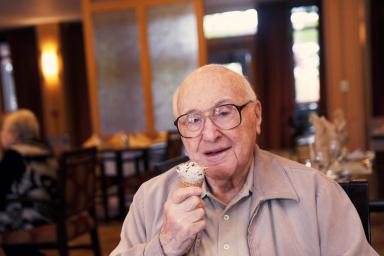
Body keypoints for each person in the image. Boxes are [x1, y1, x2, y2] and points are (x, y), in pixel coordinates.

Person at [111, 64, 378, 255]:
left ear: (256, 116)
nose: (210, 134)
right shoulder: (150, 199)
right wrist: (164, 246)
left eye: (224, 112)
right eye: (193, 120)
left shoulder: (316, 194)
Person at [0, 109, 58, 256]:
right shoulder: (44, 150)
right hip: (51, 212)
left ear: (14, 134)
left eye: (3, 130)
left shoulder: (15, 156)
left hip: (31, 217)